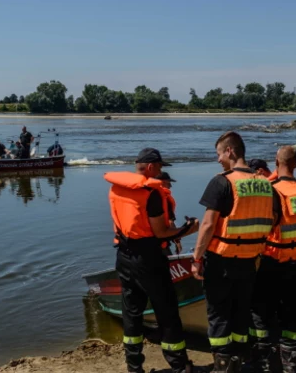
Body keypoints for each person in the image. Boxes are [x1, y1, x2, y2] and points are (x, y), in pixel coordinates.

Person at [104, 148, 199, 373]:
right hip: (148, 259)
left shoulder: (116, 188)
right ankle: (180, 366)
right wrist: (189, 229)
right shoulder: (151, 193)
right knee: (167, 312)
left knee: (132, 312)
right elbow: (161, 232)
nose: (160, 171)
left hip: (124, 256)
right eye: (159, 167)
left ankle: (134, 367)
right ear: (150, 167)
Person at [192, 131, 277, 373]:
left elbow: (208, 225)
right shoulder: (265, 184)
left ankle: (222, 366)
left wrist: (197, 258)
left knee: (219, 315)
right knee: (241, 313)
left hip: (222, 261)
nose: (218, 159)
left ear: (229, 151)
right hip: (250, 261)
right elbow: (270, 220)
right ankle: (241, 361)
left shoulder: (222, 181)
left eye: (219, 153)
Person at [250, 146, 296, 373]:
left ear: (275, 162)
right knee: (293, 310)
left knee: (261, 310)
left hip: (272, 260)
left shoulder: (271, 191)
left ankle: (262, 357)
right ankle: (290, 359)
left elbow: (264, 226)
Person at [157, 172, 181, 255]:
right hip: (161, 242)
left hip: (146, 241)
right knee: (168, 264)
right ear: (162, 182)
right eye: (168, 183)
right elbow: (170, 222)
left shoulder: (149, 195)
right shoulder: (165, 198)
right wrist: (177, 241)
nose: (170, 186)